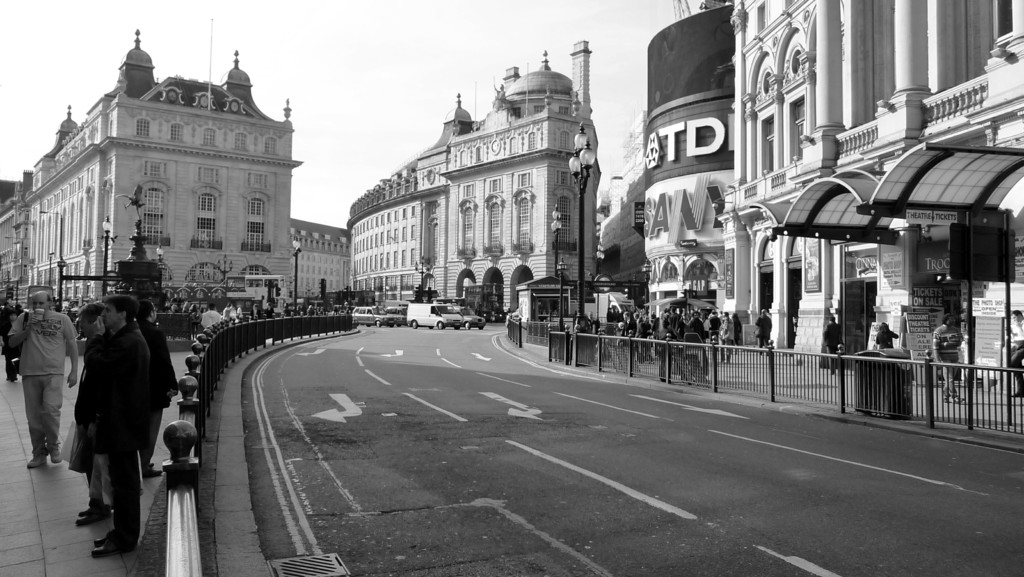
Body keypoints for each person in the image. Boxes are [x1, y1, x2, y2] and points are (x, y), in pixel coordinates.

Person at [90, 295, 150, 558]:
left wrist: (96, 339)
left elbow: (98, 365)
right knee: (120, 480)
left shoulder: (128, 342)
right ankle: (121, 532)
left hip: (123, 423)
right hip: (121, 420)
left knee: (124, 484)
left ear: (123, 314)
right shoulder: (126, 338)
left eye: (109, 310)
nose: (103, 314)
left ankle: (125, 538)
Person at [8, 291, 79, 468]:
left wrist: (74, 371)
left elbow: (72, 343)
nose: (38, 307)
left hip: (54, 372)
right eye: (35, 304)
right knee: (33, 417)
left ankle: (53, 446)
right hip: (30, 371)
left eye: (41, 303)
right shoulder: (24, 318)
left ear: (50, 303)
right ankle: (38, 452)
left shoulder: (63, 319)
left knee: (51, 410)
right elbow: (11, 342)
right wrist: (28, 329)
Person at [73, 303, 113, 526]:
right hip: (87, 413)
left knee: (98, 465)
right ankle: (96, 502)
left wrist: (93, 417)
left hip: (94, 416)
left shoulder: (102, 344)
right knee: (91, 463)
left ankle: (101, 505)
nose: (79, 324)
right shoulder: (93, 342)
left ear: (93, 322)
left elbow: (99, 384)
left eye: (81, 321)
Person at [136, 300, 178, 479]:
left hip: (133, 387)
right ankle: (143, 465)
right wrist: (173, 385)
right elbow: (163, 360)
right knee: (151, 428)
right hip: (154, 386)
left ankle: (136, 462)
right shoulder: (155, 332)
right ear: (151, 312)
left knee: (136, 426)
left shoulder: (131, 329)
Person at [932, 313, 964, 404]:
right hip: (945, 357)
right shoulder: (938, 331)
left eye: (953, 319)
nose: (953, 321)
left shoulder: (956, 330)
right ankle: (954, 396)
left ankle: (946, 396)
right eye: (951, 319)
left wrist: (955, 343)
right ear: (946, 320)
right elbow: (935, 347)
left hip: (955, 356)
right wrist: (937, 360)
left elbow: (960, 342)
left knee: (950, 378)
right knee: (949, 378)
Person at [1, 306, 19, 381]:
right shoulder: (5, 325)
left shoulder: (19, 325)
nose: (13, 317)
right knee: (8, 360)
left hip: (16, 345)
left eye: (14, 315)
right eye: (11, 315)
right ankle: (10, 375)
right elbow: (1, 333)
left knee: (16, 359)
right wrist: (1, 341)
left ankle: (14, 373)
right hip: (7, 344)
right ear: (9, 316)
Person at [1009, 310, 1024, 397]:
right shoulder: (1013, 326)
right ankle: (1021, 391)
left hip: (1023, 346)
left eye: (1014, 317)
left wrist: (1019, 327)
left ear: (1019, 316)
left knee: (1011, 365)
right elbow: (1013, 338)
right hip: (1016, 346)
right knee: (1016, 369)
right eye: (1012, 318)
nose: (1013, 319)